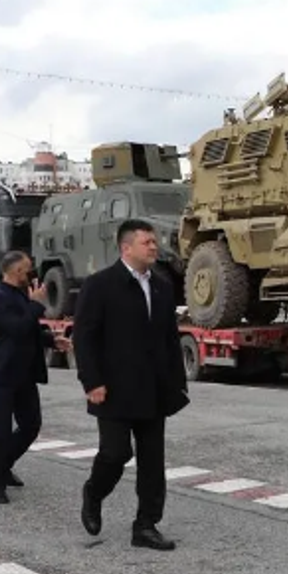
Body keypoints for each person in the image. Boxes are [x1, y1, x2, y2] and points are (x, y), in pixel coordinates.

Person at [74, 219, 189, 550]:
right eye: (147, 242)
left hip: (153, 388)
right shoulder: (100, 285)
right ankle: (93, 493)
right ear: (126, 248)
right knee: (116, 452)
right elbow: (84, 337)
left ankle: (146, 525)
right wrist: (91, 380)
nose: (154, 247)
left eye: (154, 242)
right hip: (112, 387)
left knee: (153, 461)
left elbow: (169, 339)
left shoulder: (163, 286)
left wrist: (176, 384)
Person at [0, 250, 68, 505]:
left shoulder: (20, 295)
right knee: (0, 430)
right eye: (28, 269)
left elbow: (29, 329)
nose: (32, 274)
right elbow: (16, 329)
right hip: (1, 373)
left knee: (31, 425)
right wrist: (37, 305)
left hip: (25, 372)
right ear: (16, 271)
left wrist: (51, 340)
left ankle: (2, 464)